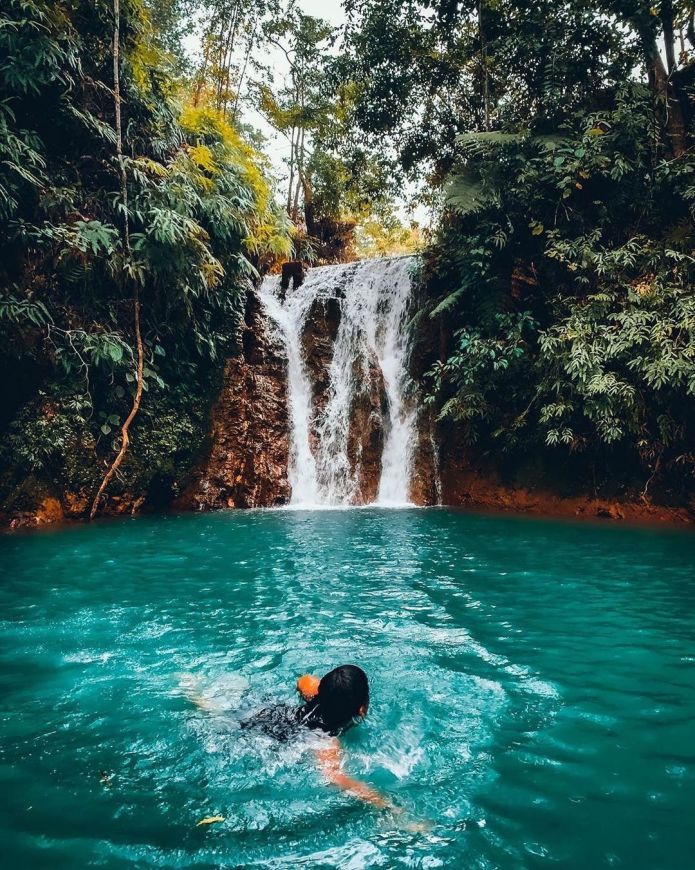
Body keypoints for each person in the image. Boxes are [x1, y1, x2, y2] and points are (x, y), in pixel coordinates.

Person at [183, 664, 392, 810]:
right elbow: (335, 778)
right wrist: (383, 803)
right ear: (362, 709)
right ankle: (203, 703)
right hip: (280, 737)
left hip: (268, 713)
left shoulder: (311, 691)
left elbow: (304, 680)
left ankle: (197, 696)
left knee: (232, 714)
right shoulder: (327, 740)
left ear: (321, 690)